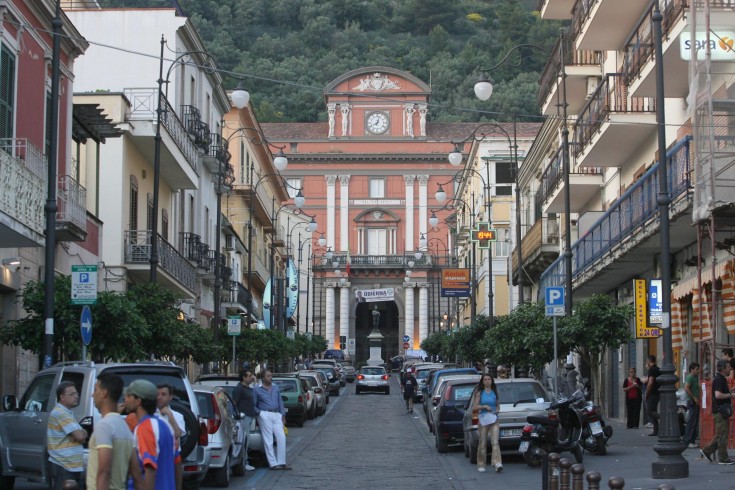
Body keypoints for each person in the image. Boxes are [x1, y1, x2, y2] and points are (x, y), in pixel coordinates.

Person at [124, 379, 181, 489]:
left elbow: (150, 468)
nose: (125, 399)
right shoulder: (165, 425)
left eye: (129, 396)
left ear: (138, 401)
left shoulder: (145, 427)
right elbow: (177, 463)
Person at [87, 374, 134, 490]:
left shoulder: (104, 426)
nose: (93, 394)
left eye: (95, 390)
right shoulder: (124, 427)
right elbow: (135, 472)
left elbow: (104, 471)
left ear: (104, 393)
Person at [47, 381, 87, 490]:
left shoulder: (67, 413)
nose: (76, 397)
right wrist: (82, 433)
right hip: (64, 465)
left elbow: (80, 435)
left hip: (70, 466)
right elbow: (80, 436)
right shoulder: (61, 413)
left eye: (76, 394)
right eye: (72, 394)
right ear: (62, 397)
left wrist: (81, 433)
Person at [253, 371, 290, 470]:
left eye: (271, 375)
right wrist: (260, 413)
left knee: (281, 437)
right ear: (263, 378)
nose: (270, 377)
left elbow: (280, 401)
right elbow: (253, 404)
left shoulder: (275, 387)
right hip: (265, 413)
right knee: (268, 439)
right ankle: (273, 463)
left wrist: (283, 415)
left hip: (276, 413)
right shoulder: (257, 389)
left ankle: (282, 462)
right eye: (268, 376)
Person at [701, 360, 735, 464]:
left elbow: (722, 392)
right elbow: (718, 395)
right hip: (720, 410)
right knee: (722, 435)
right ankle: (723, 458)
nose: (730, 369)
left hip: (720, 410)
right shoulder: (719, 379)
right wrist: (732, 395)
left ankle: (706, 451)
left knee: (721, 433)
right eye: (728, 367)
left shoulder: (721, 379)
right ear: (723, 369)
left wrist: (732, 390)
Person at [472, 374, 502, 473]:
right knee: (483, 442)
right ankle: (481, 463)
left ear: (492, 381)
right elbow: (475, 407)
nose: (487, 381)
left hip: (494, 419)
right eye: (485, 380)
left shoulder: (494, 392)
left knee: (495, 441)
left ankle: (497, 463)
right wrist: (484, 406)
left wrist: (497, 410)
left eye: (489, 379)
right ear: (482, 382)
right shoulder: (479, 392)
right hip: (484, 419)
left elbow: (498, 405)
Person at [231, 370, 257, 471]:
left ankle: (245, 461)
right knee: (244, 441)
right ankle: (244, 462)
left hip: (249, 417)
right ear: (244, 378)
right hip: (243, 418)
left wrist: (255, 381)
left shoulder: (248, 388)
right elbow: (234, 403)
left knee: (247, 440)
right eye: (250, 376)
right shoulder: (239, 389)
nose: (252, 377)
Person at [683, 362, 701, 448]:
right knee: (691, 422)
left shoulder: (695, 378)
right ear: (692, 369)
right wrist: (694, 397)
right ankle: (688, 441)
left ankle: (692, 441)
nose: (698, 371)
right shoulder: (690, 377)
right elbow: (686, 388)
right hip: (692, 402)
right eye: (697, 369)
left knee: (694, 422)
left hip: (695, 402)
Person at [645, 355, 661, 436]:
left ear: (649, 361)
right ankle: (656, 430)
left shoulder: (651, 370)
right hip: (658, 392)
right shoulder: (658, 369)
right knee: (653, 410)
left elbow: (650, 382)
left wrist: (647, 392)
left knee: (650, 411)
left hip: (652, 393)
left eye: (647, 361)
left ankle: (663, 417)